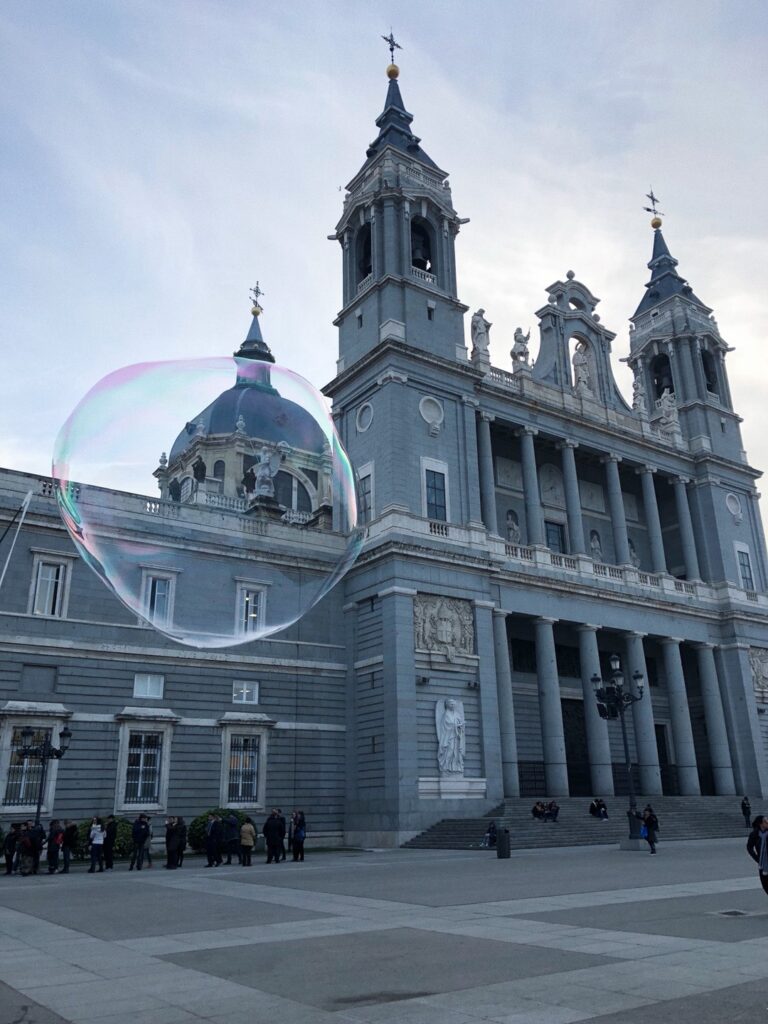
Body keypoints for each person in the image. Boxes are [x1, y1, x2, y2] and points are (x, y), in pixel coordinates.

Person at [747, 815, 768, 895]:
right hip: (762, 864)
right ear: (761, 824)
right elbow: (749, 847)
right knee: (765, 885)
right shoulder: (754, 834)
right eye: (765, 821)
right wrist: (757, 858)